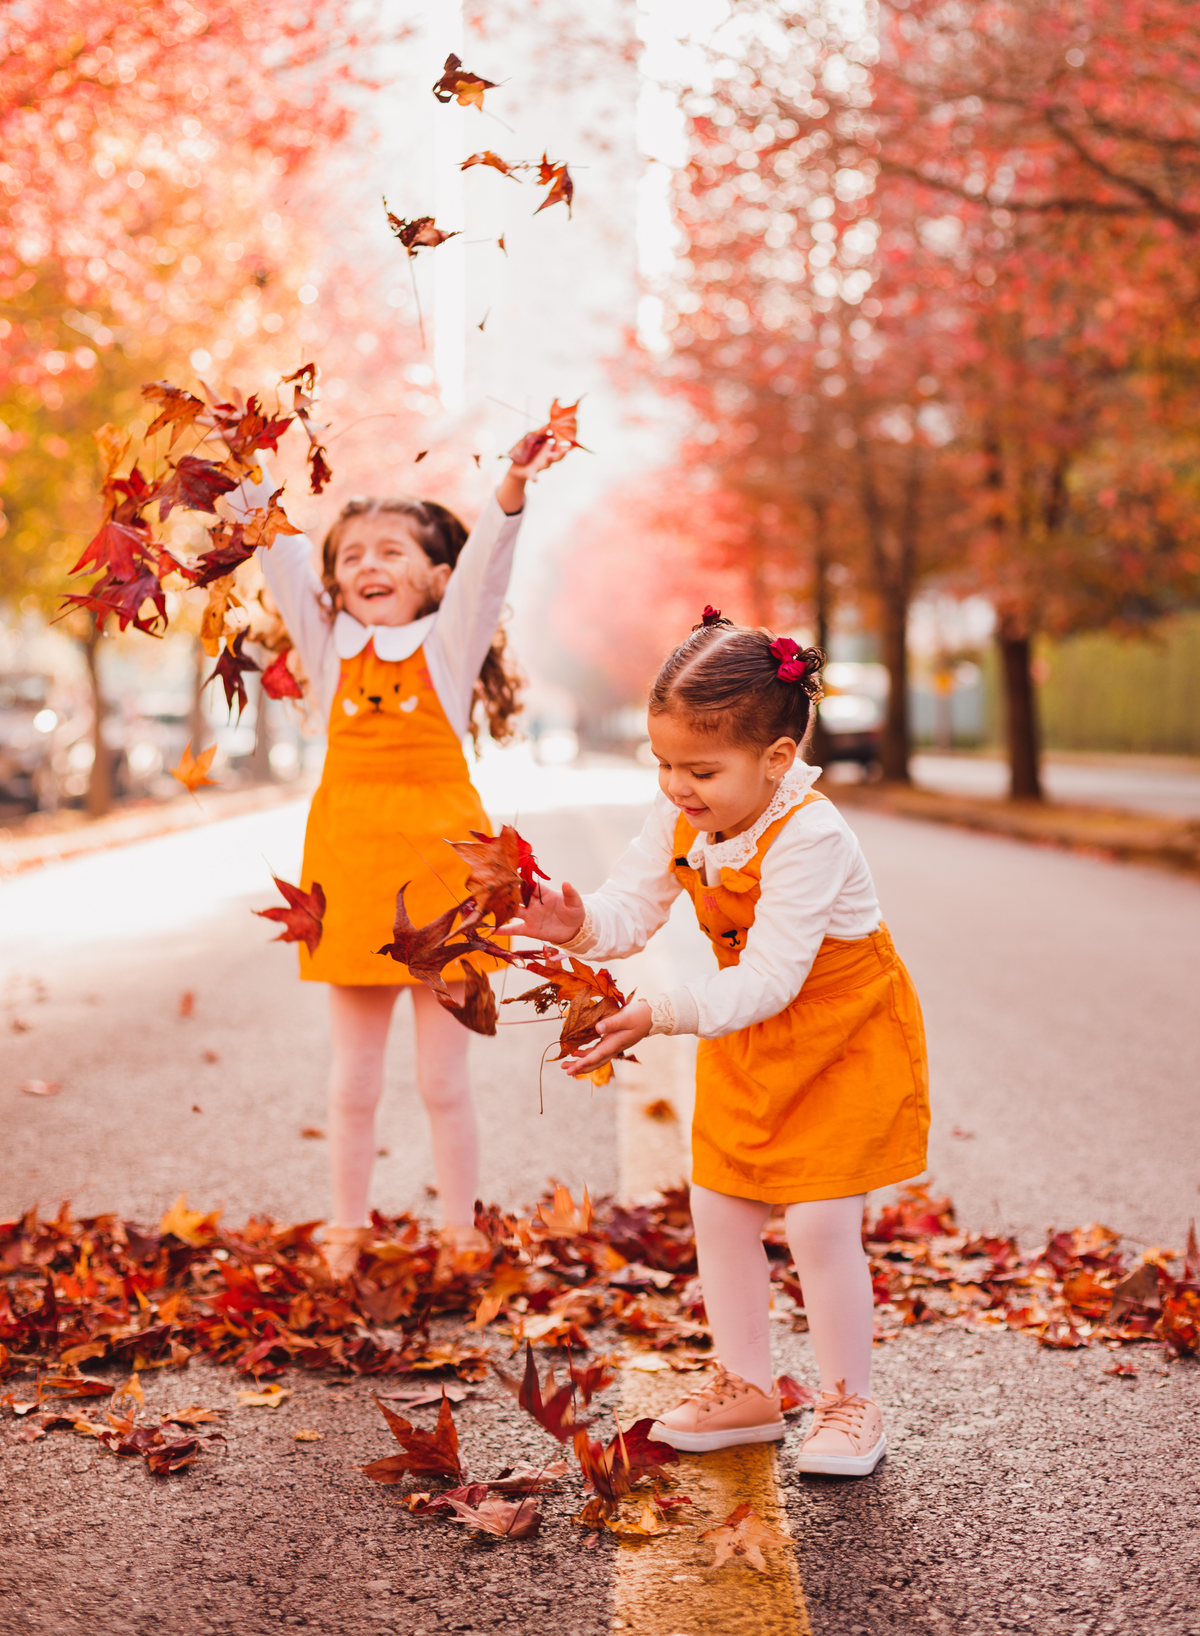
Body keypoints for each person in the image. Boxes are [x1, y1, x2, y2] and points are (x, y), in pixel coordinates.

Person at [507, 611, 929, 1476]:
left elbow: (772, 980)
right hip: (749, 1035)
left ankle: (851, 1402)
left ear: (776, 760)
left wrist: (659, 1013)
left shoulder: (809, 834)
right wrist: (577, 922)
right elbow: (631, 911)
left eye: (700, 769)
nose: (676, 786)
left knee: (817, 1220)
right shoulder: (682, 821)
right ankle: (746, 1388)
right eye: (662, 764)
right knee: (722, 1206)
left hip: (839, 1033)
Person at [236, 437, 570, 1277]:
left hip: (442, 876)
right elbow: (276, 554)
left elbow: (489, 566)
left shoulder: (449, 645)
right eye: (351, 556)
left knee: (442, 1080)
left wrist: (515, 482)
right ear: (335, 582)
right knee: (353, 1079)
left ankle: (460, 1230)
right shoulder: (325, 650)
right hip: (347, 877)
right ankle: (347, 1227)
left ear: (433, 577)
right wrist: (241, 468)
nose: (367, 564)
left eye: (392, 551)